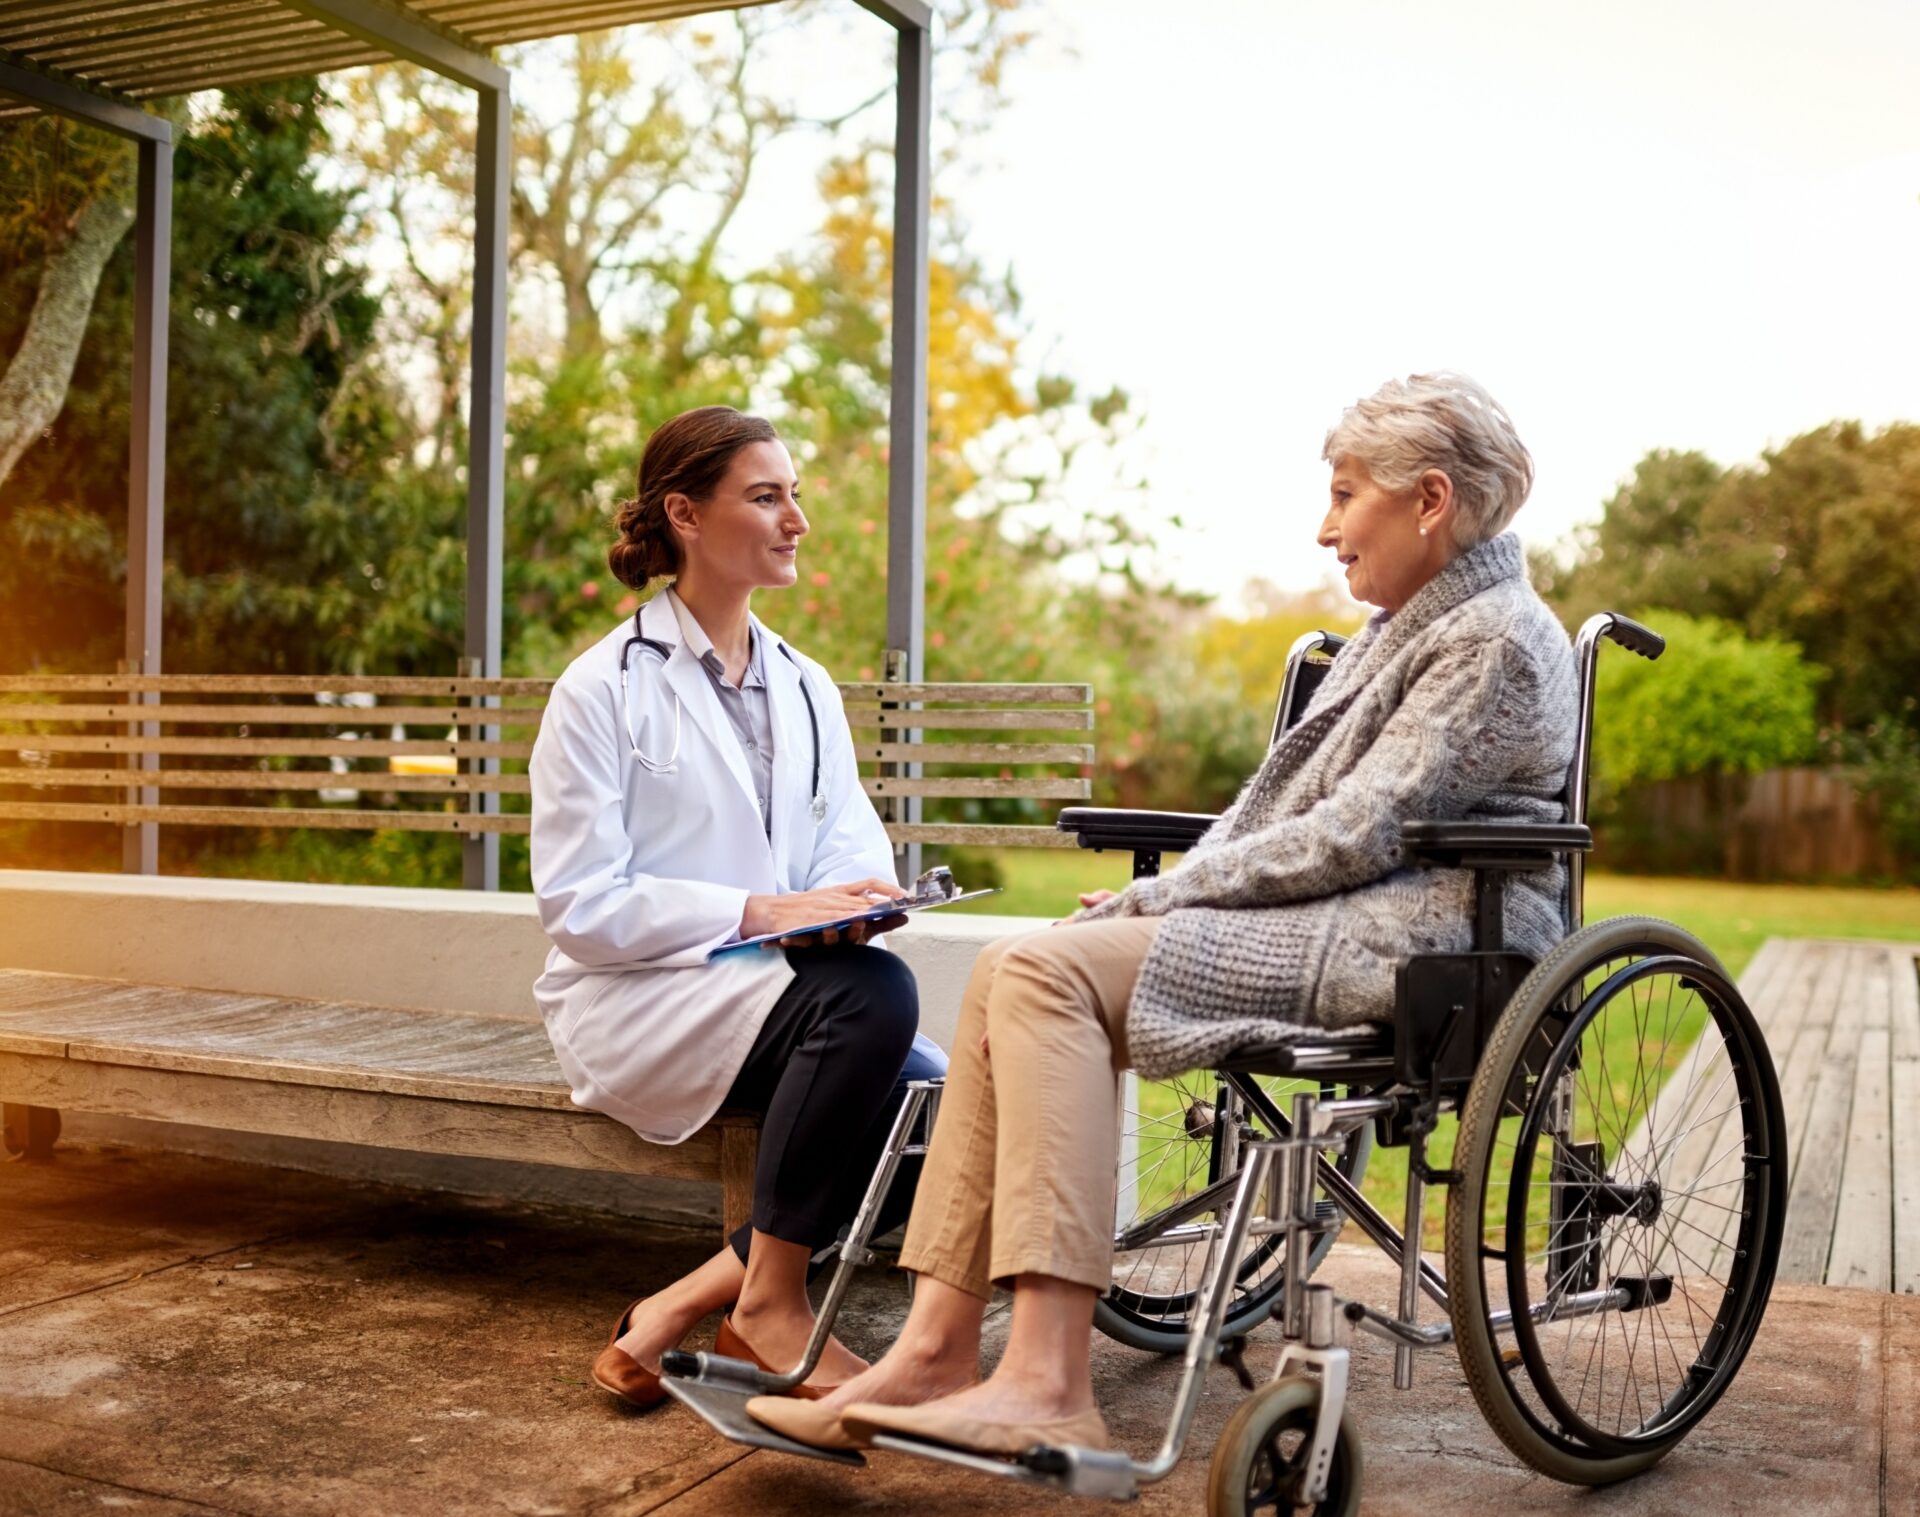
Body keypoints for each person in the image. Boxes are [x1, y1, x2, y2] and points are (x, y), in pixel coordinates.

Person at [747, 371, 1578, 1457]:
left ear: (1428, 499)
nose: (1326, 528)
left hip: (1420, 933)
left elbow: (1354, 833)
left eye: (1344, 495)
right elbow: (1292, 816)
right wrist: (1160, 892)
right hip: (1350, 913)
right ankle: (937, 1351)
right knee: (1014, 964)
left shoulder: (1495, 639)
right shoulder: (1409, 625)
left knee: (1046, 974)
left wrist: (1160, 892)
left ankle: (1047, 1380)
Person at [528, 405, 946, 1410]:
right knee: (875, 1001)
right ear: (685, 512)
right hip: (641, 996)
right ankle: (777, 1306)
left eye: (794, 494)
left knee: (931, 1100)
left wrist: (857, 898)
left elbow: (847, 837)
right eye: (767, 496)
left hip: (775, 984)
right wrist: (762, 911)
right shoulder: (601, 688)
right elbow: (582, 904)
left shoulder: (803, 685)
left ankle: (683, 1306)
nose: (796, 517)